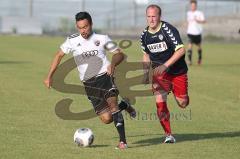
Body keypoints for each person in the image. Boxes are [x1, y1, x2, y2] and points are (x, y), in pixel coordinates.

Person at [44, 11, 136, 149]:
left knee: (113, 106)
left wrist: (112, 64)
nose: (83, 30)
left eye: (86, 27)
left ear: (91, 24)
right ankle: (124, 105)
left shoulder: (102, 38)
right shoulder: (72, 40)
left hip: (105, 77)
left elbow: (119, 54)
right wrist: (49, 76)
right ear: (77, 26)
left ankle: (123, 142)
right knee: (107, 119)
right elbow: (58, 55)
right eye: (80, 27)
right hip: (89, 84)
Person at [140, 4, 189, 143]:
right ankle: (169, 135)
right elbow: (145, 55)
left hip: (177, 71)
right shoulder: (144, 35)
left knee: (183, 103)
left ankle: (177, 92)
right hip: (159, 74)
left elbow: (181, 50)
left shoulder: (168, 30)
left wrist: (165, 65)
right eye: (148, 16)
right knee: (160, 102)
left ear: (159, 16)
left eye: (154, 16)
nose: (151, 19)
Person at [187, 0, 206, 65]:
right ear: (190, 6)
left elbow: (204, 21)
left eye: (194, 5)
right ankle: (189, 61)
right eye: (192, 5)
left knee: (199, 47)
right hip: (190, 32)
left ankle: (199, 59)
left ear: (196, 6)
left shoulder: (200, 13)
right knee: (190, 46)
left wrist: (198, 21)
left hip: (198, 33)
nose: (193, 7)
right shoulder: (188, 13)